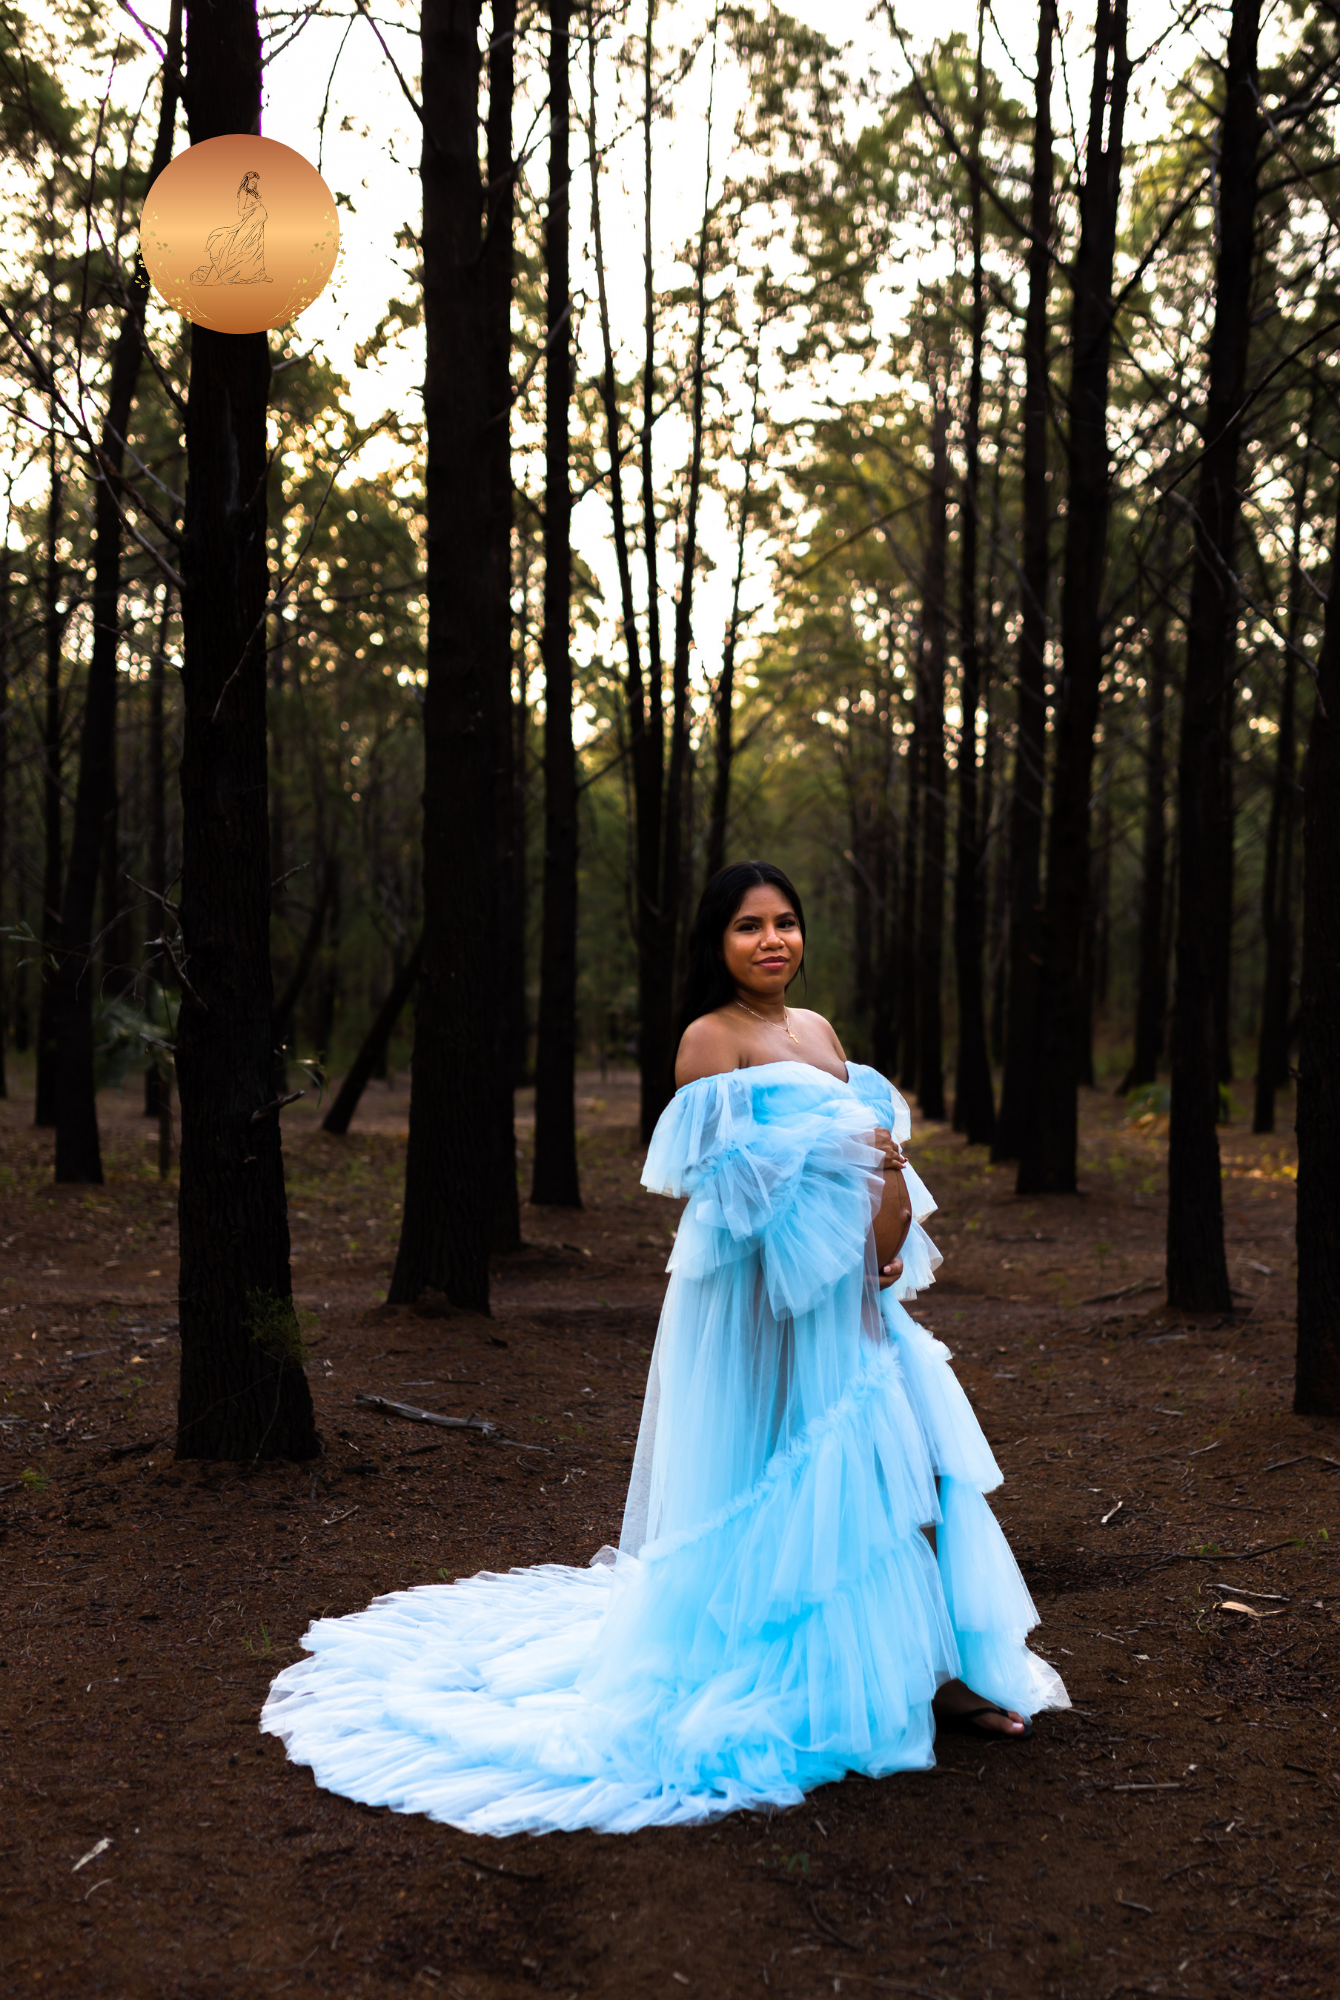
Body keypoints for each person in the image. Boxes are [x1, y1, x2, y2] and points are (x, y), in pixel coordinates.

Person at [262, 862, 1067, 1833]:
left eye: (784, 922)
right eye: (746, 926)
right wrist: (828, 1201)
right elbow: (729, 1201)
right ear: (715, 943)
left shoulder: (817, 1032)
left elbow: (880, 1185)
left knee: (914, 1472)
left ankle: (932, 1672)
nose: (770, 940)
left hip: (854, 1298)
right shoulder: (706, 1041)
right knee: (802, 1480)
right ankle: (816, 1683)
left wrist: (882, 1202)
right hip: (765, 1301)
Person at [189, 171, 273, 287]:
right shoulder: (244, 193)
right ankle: (229, 275)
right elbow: (241, 211)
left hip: (257, 227)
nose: (254, 184)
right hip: (249, 226)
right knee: (240, 252)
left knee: (257, 252)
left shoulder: (253, 193)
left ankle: (258, 275)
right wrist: (255, 206)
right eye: (253, 182)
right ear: (247, 181)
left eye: (256, 182)